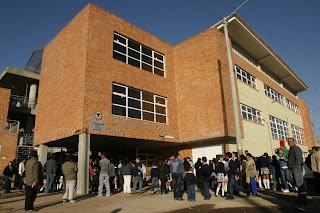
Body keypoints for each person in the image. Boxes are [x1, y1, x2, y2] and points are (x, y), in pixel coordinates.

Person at [287, 137, 307, 205]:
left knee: (299, 183)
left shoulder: (296, 149)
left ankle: (303, 199)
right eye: (289, 141)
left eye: (291, 141)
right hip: (293, 168)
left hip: (296, 168)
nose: (290, 143)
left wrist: (295, 166)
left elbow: (298, 159)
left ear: (294, 141)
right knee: (297, 183)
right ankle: (301, 198)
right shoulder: (291, 149)